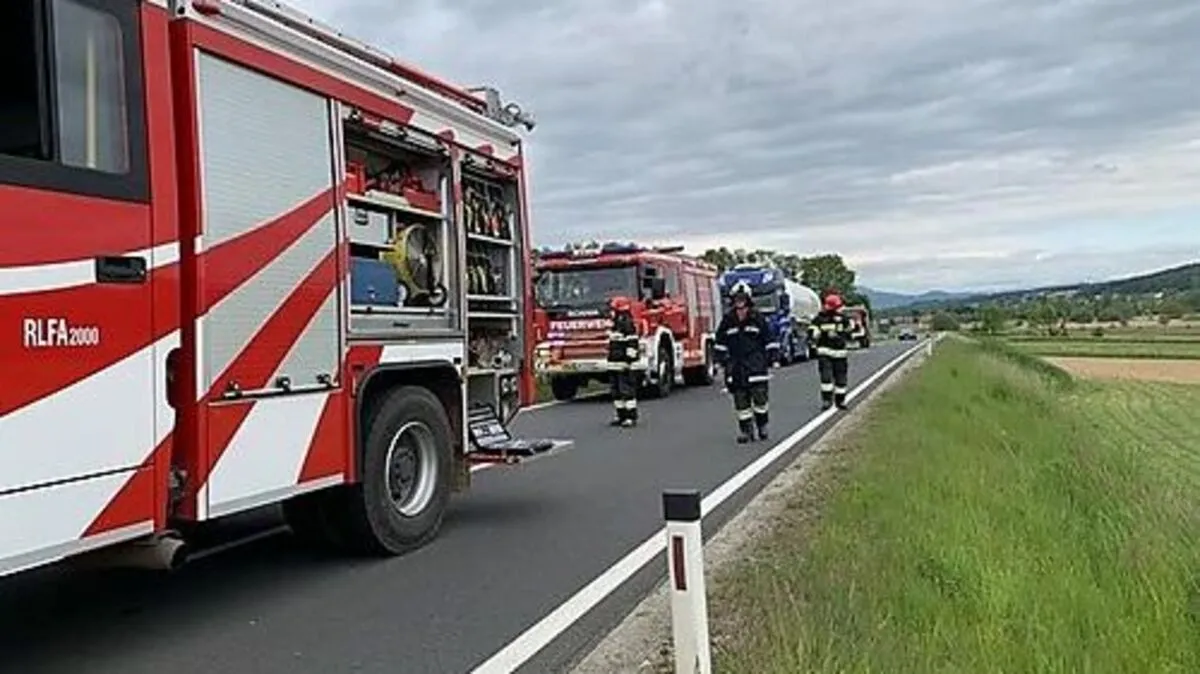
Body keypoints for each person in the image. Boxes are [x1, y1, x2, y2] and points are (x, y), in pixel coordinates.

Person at [714, 281, 779, 443]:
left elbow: (769, 338)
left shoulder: (757, 318)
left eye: (742, 298)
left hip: (756, 365)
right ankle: (746, 430)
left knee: (760, 400)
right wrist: (720, 360)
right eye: (737, 299)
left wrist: (773, 358)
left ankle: (762, 426)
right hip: (736, 366)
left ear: (748, 299)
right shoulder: (728, 320)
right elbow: (720, 342)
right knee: (741, 402)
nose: (739, 301)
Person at [808, 293, 854, 410]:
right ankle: (827, 400)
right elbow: (812, 332)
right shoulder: (819, 319)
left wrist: (841, 334)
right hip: (825, 353)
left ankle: (840, 401)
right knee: (826, 378)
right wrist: (814, 336)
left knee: (841, 380)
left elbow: (850, 333)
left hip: (840, 354)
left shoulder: (843, 319)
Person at [606, 295, 642, 427]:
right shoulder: (616, 323)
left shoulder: (626, 322)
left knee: (626, 391)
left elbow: (632, 344)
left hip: (623, 364)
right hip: (614, 364)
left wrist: (629, 361)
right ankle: (621, 415)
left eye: (613, 309)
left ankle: (630, 417)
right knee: (616, 392)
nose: (611, 311)